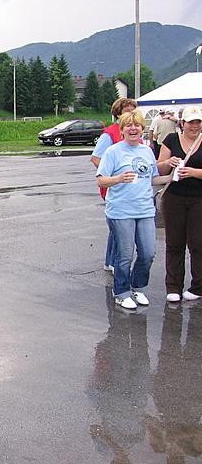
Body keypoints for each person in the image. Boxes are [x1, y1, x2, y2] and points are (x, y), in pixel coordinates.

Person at [96, 110, 158, 311]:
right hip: (121, 211)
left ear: (142, 129)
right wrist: (118, 179)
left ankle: (138, 287)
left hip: (145, 209)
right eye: (128, 126)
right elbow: (101, 179)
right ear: (122, 130)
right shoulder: (113, 151)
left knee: (148, 253)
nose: (133, 129)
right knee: (124, 255)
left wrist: (175, 175)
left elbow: (153, 178)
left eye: (137, 125)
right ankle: (121, 292)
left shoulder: (147, 151)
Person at [155, 105, 202, 302]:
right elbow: (158, 169)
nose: (195, 126)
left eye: (198, 122)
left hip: (199, 198)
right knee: (174, 243)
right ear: (182, 123)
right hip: (174, 196)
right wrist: (169, 163)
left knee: (198, 243)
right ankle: (173, 286)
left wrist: (194, 173)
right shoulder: (171, 140)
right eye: (191, 122)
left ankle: (199, 286)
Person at [91, 97, 138, 273]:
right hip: (114, 185)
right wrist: (113, 176)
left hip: (130, 186)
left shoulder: (133, 132)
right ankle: (113, 261)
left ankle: (111, 260)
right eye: (127, 111)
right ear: (118, 113)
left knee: (117, 228)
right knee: (117, 225)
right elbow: (96, 158)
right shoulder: (109, 133)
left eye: (133, 111)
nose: (131, 115)